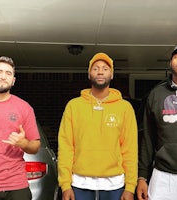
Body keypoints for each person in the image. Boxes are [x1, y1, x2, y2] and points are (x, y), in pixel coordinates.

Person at [58, 52, 138, 200]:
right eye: (95, 68)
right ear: (89, 74)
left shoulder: (124, 108)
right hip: (79, 183)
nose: (100, 71)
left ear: (112, 75)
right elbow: (66, 147)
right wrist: (65, 184)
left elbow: (130, 149)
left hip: (115, 184)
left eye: (105, 68)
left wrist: (130, 186)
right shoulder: (74, 106)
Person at [137, 43, 177, 200]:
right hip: (163, 175)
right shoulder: (156, 94)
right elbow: (148, 138)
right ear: (170, 63)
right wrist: (142, 177)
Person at [0, 56, 41, 200]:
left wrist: (23, 143)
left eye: (8, 73)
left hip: (16, 185)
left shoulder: (24, 108)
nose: (3, 76)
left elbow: (35, 146)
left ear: (13, 81)